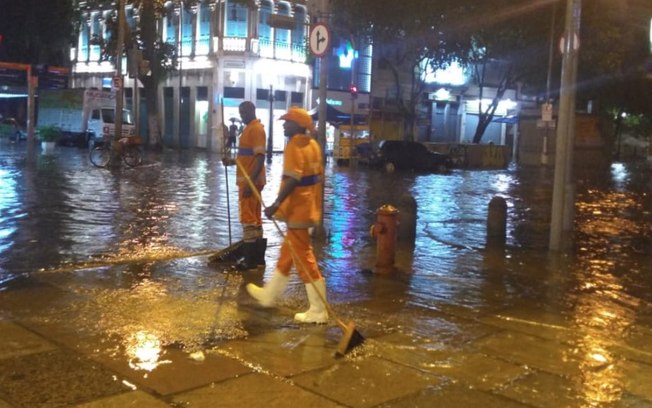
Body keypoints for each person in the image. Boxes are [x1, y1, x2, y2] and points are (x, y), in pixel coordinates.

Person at [246, 107, 328, 324]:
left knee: (304, 258)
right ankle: (269, 296)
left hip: (298, 210)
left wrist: (275, 204)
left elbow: (293, 178)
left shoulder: (294, 145)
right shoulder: (314, 146)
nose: (283, 125)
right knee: (287, 254)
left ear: (299, 125)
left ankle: (318, 310)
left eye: (287, 122)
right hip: (309, 208)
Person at [223, 101, 267, 270]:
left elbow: (260, 157)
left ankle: (249, 261)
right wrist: (232, 161)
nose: (242, 115)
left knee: (248, 219)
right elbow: (247, 158)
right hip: (252, 182)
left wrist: (249, 182)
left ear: (252, 110)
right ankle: (258, 260)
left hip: (251, 183)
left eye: (245, 112)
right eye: (240, 113)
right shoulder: (249, 129)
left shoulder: (255, 129)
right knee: (255, 219)